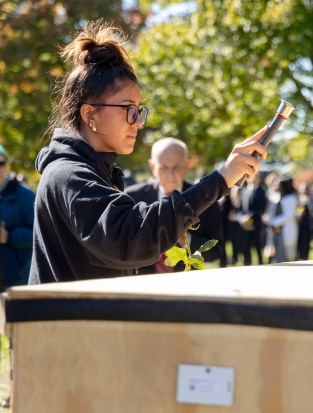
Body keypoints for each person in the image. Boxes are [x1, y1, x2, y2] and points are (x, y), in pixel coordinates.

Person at [29, 21, 267, 284]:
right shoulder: (68, 174)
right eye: (128, 108)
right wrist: (220, 179)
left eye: (139, 110)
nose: (137, 121)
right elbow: (130, 240)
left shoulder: (94, 171)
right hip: (64, 324)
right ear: (90, 114)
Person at [125, 138, 226, 273]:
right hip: (143, 283)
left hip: (186, 284)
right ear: (152, 166)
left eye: (176, 167)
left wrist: (186, 240)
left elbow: (217, 251)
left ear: (187, 165)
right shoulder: (132, 197)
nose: (170, 174)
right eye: (164, 167)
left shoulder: (206, 199)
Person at [0, 144, 35, 290]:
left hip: (17, 284)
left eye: (0, 163)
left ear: (7, 165)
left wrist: (8, 236)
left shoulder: (25, 195)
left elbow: (39, 235)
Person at [265, 177, 298, 262]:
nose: (276, 187)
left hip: (286, 229)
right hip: (277, 231)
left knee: (287, 254)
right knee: (277, 253)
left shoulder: (290, 198)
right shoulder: (278, 197)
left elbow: (289, 216)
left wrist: (273, 222)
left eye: (278, 185)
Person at [238, 171, 267, 265]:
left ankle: (261, 264)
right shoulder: (244, 191)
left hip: (256, 224)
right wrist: (242, 218)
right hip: (245, 224)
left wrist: (250, 216)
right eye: (252, 177)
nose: (253, 179)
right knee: (245, 246)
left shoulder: (262, 191)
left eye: (256, 177)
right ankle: (247, 264)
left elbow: (261, 208)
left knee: (258, 247)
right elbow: (242, 208)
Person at [295, 181, 312, 260]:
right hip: (297, 226)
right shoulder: (297, 199)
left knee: (305, 243)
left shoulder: (310, 199)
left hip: (306, 226)